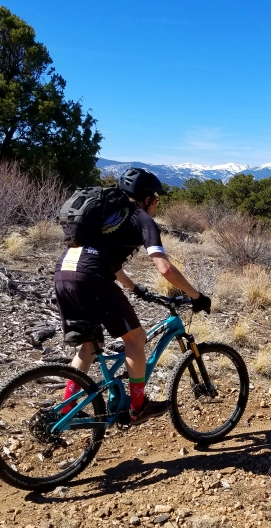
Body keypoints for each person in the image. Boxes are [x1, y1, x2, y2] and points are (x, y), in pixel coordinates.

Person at [53, 167, 211, 424]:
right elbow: (165, 269)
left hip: (64, 274)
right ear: (147, 198)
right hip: (91, 278)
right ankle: (138, 407)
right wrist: (196, 296)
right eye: (156, 199)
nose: (157, 204)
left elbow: (110, 264)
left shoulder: (107, 213)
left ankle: (64, 409)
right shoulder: (140, 218)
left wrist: (135, 289)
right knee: (136, 340)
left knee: (90, 345)